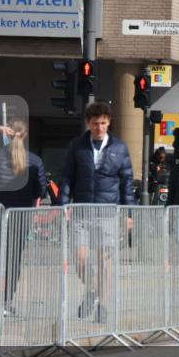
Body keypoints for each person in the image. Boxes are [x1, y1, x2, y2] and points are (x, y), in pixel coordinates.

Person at [58, 102, 135, 323]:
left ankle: (103, 305)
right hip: (82, 210)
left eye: (103, 123)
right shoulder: (77, 146)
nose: (99, 127)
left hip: (107, 211)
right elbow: (67, 177)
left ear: (109, 122)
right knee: (80, 258)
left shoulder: (119, 148)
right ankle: (92, 289)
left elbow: (127, 182)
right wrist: (63, 204)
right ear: (88, 123)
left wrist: (129, 213)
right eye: (95, 123)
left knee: (105, 261)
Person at [0, 120, 48, 315]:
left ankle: (2, 296)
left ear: (5, 134)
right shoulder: (35, 160)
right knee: (14, 258)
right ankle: (8, 299)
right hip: (21, 215)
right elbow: (41, 190)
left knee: (0, 256)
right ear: (25, 136)